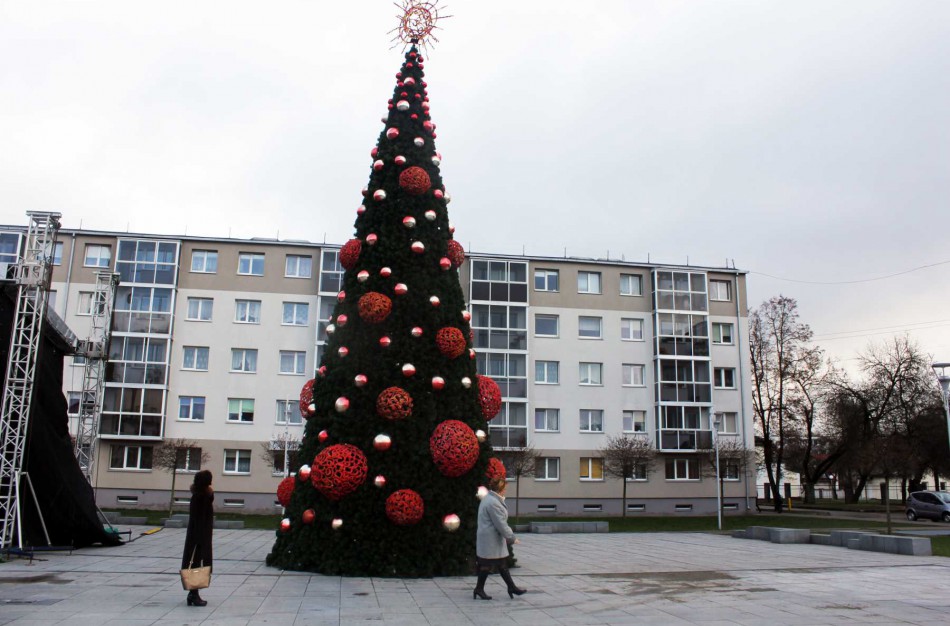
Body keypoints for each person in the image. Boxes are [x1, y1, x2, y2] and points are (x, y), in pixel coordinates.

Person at [474, 476, 526, 600]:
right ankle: (479, 589)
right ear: (500, 489)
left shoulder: (490, 499)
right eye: (504, 488)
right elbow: (501, 524)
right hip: (490, 539)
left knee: (501, 563)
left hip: (490, 538)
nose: (505, 490)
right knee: (486, 565)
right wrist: (512, 537)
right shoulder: (493, 503)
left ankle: (511, 587)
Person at [181, 469, 214, 607]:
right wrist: (200, 539)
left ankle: (193, 594)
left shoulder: (202, 496)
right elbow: (198, 518)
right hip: (198, 537)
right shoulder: (200, 497)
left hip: (200, 535)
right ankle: (193, 594)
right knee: (195, 564)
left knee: (198, 564)